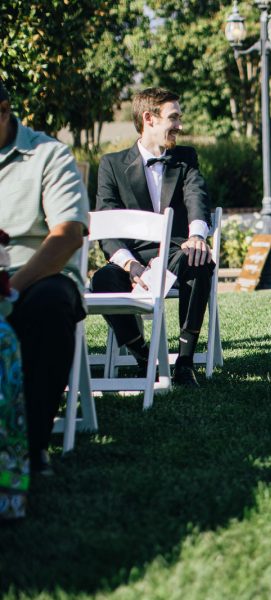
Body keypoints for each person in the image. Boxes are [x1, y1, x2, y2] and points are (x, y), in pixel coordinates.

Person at [91, 87, 213, 387]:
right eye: (174, 118)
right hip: (133, 259)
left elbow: (196, 196)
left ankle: (185, 362)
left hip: (174, 253)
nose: (180, 125)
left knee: (198, 259)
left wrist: (197, 235)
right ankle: (144, 358)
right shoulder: (111, 164)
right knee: (102, 280)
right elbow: (106, 224)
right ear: (149, 118)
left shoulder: (186, 158)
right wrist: (130, 265)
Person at [0, 80, 90, 475]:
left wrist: (9, 291)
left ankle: (32, 447)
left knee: (51, 303)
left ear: (3, 111)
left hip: (35, 277)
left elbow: (68, 234)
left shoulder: (48, 155)